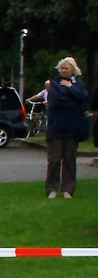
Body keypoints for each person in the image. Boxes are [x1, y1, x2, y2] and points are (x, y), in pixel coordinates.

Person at [43, 57, 88, 199]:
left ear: (73, 70)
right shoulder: (54, 83)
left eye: (66, 68)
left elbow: (83, 98)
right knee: (55, 159)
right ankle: (51, 189)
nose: (63, 70)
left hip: (73, 127)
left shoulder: (79, 84)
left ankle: (68, 189)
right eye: (61, 68)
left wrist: (70, 89)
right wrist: (72, 100)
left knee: (69, 158)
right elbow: (55, 101)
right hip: (57, 126)